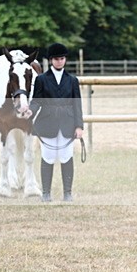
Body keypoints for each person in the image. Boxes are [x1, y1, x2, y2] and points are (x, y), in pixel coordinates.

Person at [29, 43, 84, 202]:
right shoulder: (41, 79)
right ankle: (46, 193)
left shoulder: (72, 80)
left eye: (62, 58)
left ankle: (67, 193)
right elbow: (37, 101)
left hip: (67, 122)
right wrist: (30, 112)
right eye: (56, 59)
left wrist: (79, 126)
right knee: (48, 156)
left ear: (65, 59)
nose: (59, 61)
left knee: (67, 156)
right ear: (51, 60)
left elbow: (77, 104)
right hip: (48, 121)